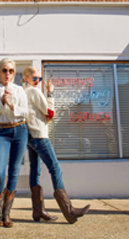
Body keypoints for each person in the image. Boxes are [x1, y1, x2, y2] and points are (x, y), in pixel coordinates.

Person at [22, 66, 90, 224]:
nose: (37, 81)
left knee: (35, 172)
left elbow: (45, 115)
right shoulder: (33, 91)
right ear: (26, 78)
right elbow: (50, 113)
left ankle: (38, 211)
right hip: (39, 136)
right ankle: (69, 210)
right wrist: (50, 93)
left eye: (39, 79)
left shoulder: (23, 92)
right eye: (34, 78)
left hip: (30, 137)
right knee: (55, 168)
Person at [0, 58, 29, 228]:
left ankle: (6, 214)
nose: (8, 74)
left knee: (14, 171)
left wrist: (12, 105)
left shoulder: (19, 90)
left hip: (20, 130)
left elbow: (25, 112)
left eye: (11, 71)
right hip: (1, 132)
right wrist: (2, 102)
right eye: (5, 70)